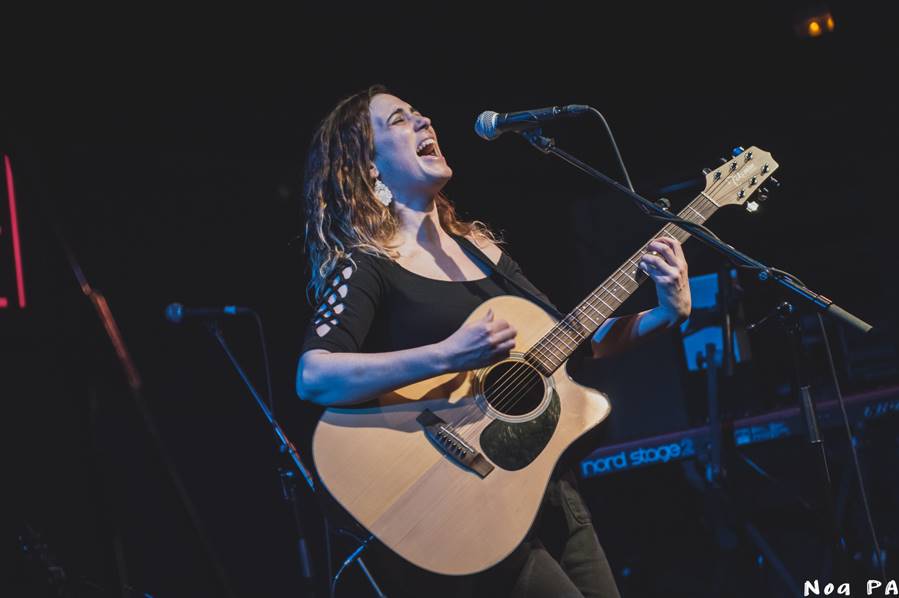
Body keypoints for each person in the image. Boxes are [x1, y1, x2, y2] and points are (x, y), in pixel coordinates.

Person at [296, 84, 691, 597]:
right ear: (369, 166)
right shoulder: (367, 263)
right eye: (399, 120)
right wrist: (447, 354)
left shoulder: (481, 249)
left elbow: (572, 342)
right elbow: (315, 374)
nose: (424, 122)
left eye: (420, 113)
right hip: (465, 507)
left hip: (548, 490)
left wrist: (666, 313)